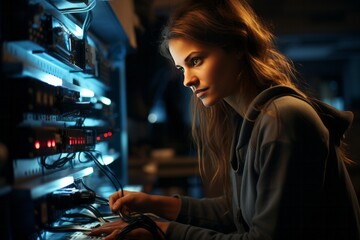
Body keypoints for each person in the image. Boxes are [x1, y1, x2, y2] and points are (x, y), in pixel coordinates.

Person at [90, 0, 360, 239]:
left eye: (196, 60)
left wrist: (162, 230)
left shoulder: (282, 119)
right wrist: (154, 204)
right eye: (181, 68)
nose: (187, 80)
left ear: (236, 46)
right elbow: (237, 212)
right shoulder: (248, 121)